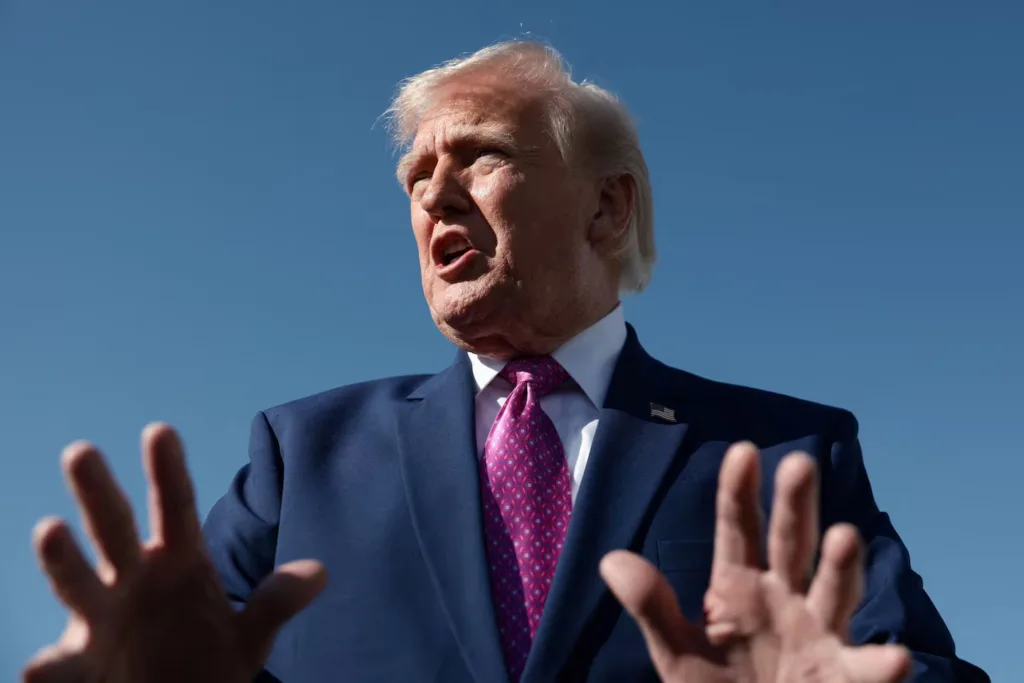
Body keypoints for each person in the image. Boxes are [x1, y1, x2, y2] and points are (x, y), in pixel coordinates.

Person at [23, 41, 987, 683]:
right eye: (414, 178)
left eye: (479, 154)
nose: (434, 194)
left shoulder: (785, 451)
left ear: (607, 209)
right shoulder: (301, 452)